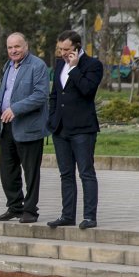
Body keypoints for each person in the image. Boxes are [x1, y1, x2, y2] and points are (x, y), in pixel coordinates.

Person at [0, 32, 49, 224]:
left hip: (29, 128)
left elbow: (40, 95)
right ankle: (15, 207)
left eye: (17, 46)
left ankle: (30, 211)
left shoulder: (37, 66)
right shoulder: (9, 66)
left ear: (26, 46)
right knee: (8, 170)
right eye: (10, 47)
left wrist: (15, 109)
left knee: (31, 172)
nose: (13, 50)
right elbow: (6, 91)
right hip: (7, 127)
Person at [46, 30, 104, 230]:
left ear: (77, 47)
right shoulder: (59, 63)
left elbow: (88, 91)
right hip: (60, 128)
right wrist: (52, 118)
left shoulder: (93, 65)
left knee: (86, 173)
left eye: (67, 49)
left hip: (82, 129)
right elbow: (55, 94)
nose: (62, 53)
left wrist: (74, 68)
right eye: (60, 49)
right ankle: (67, 215)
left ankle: (89, 216)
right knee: (66, 174)